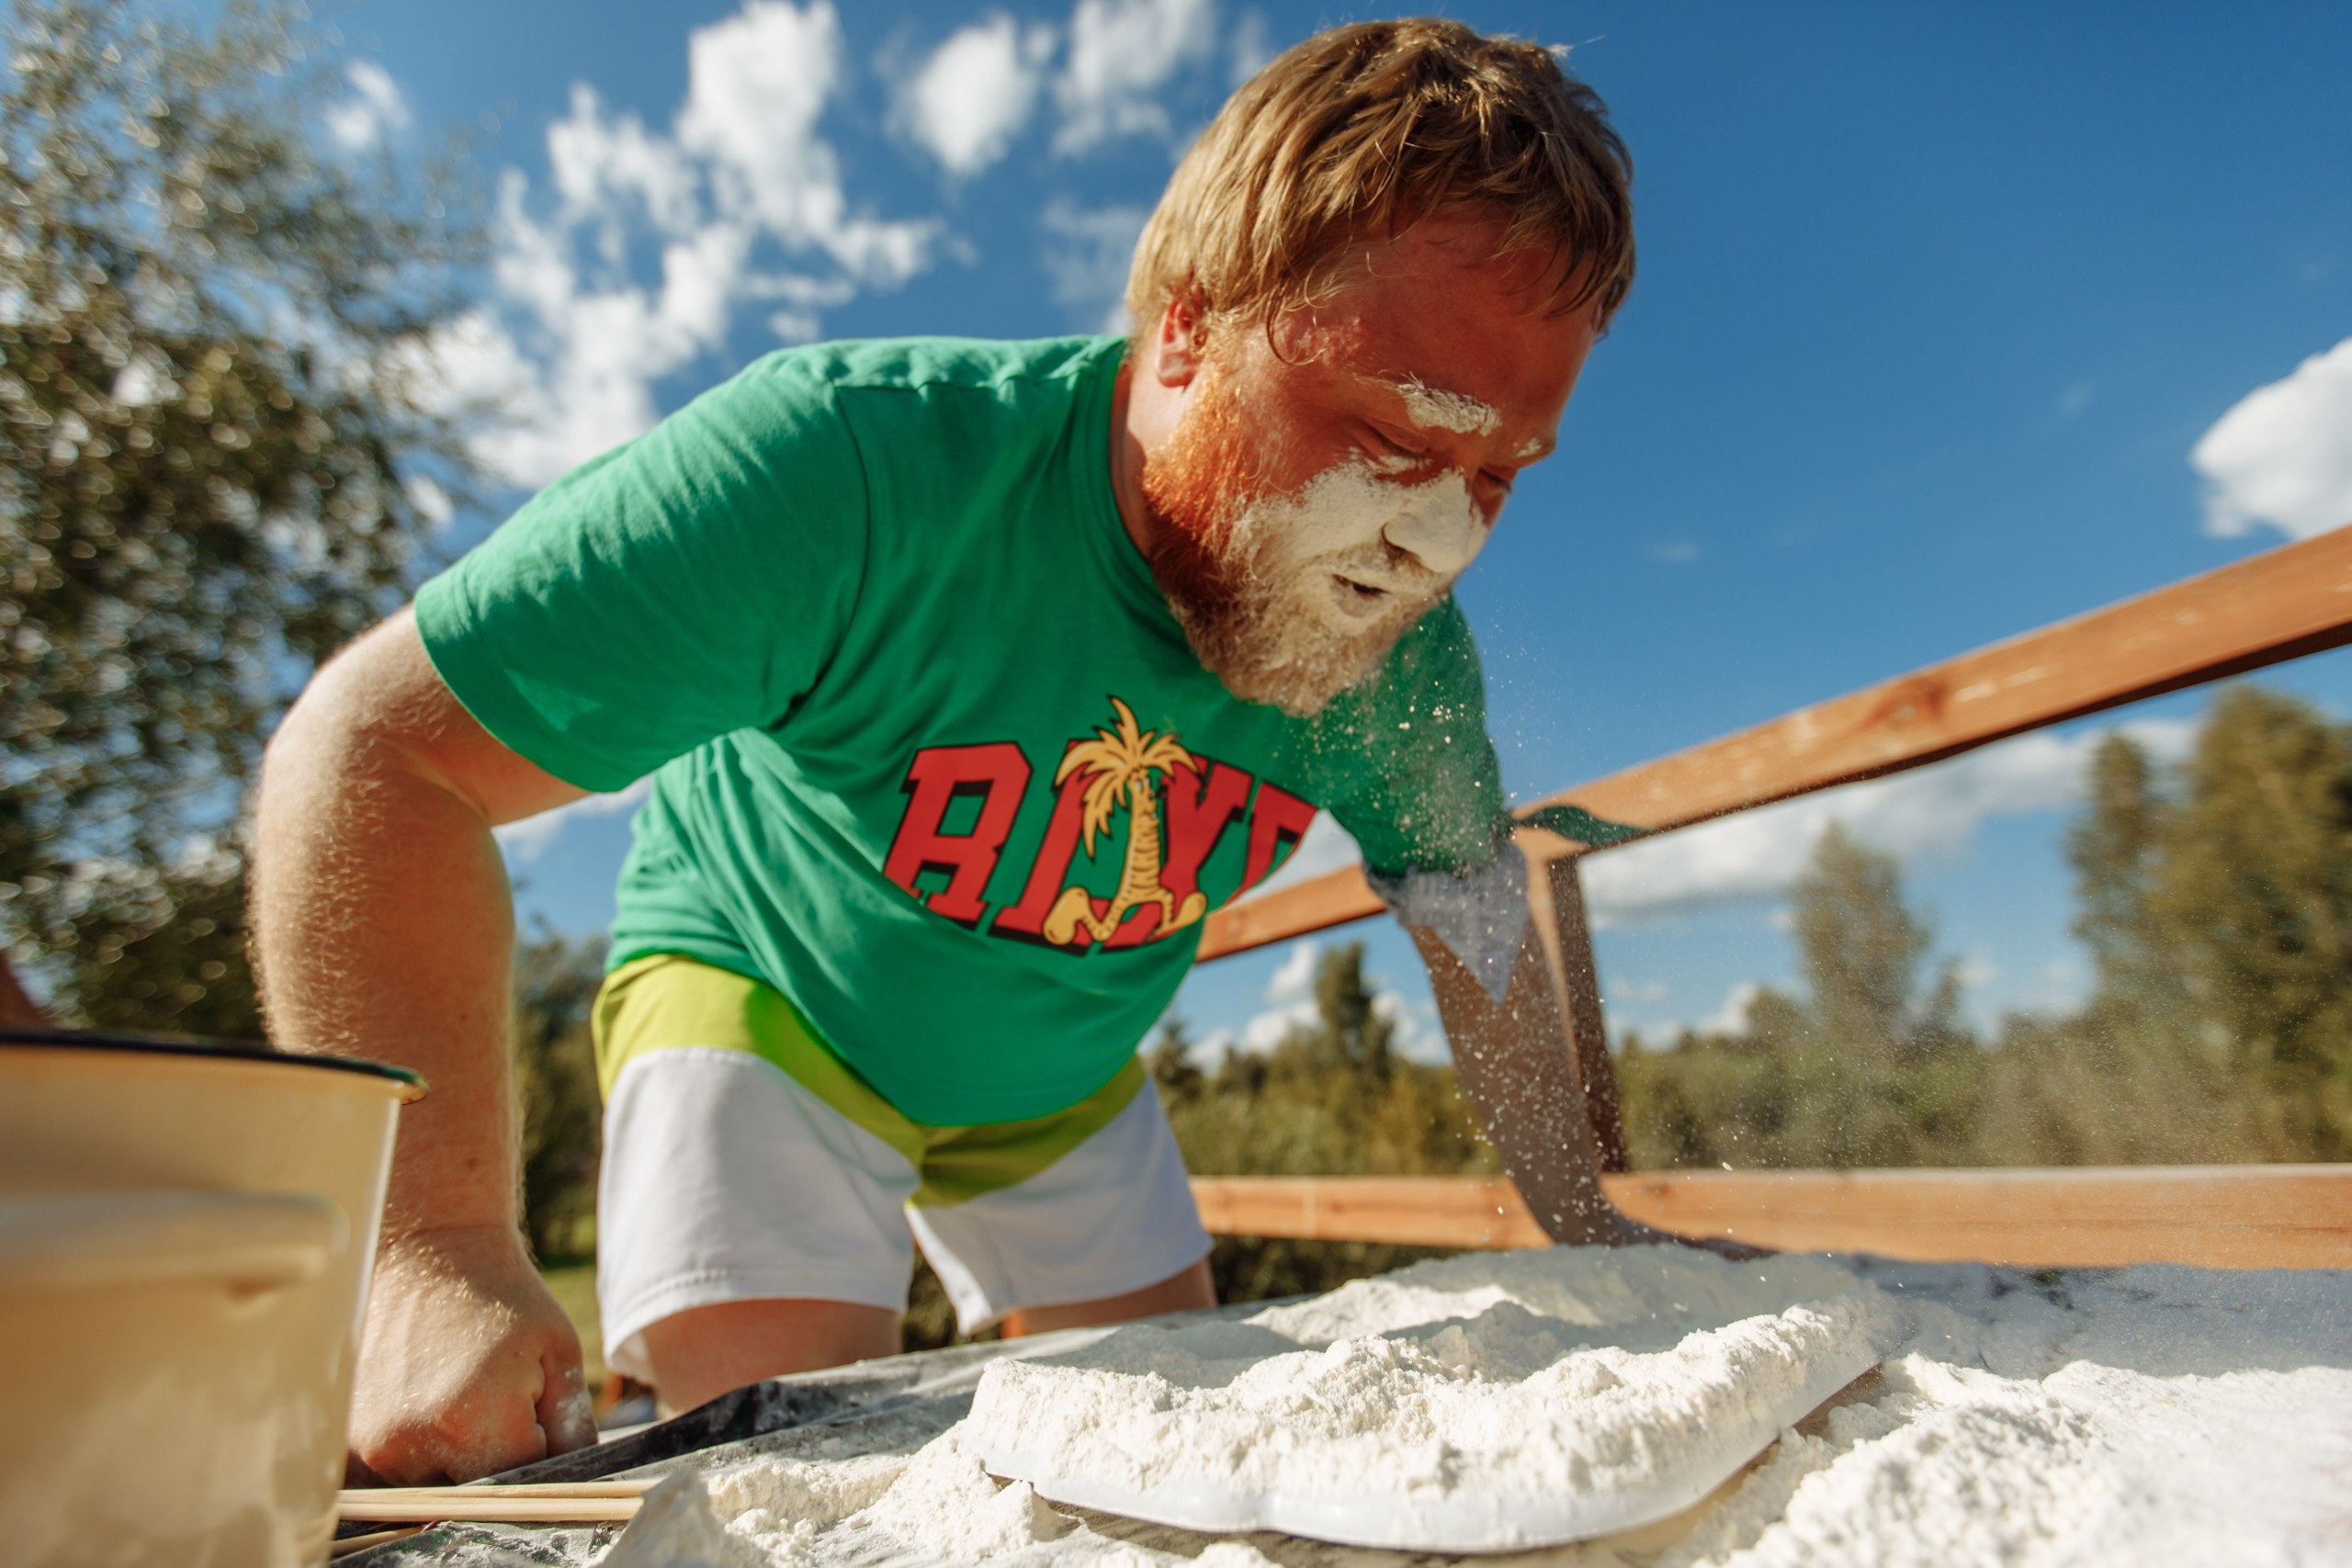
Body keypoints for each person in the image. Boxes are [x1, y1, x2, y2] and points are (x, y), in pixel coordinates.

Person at [254, 17, 1664, 1488]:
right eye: (1389, 434)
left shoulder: (1402, 661)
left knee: (1183, 1473)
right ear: (1184, 328)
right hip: (776, 1004)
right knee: (784, 1477)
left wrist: (1587, 1222)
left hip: (1065, 1068)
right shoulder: (845, 473)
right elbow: (372, 754)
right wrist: (430, 1246)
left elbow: (1470, 905)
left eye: (1499, 473)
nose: (1436, 542)